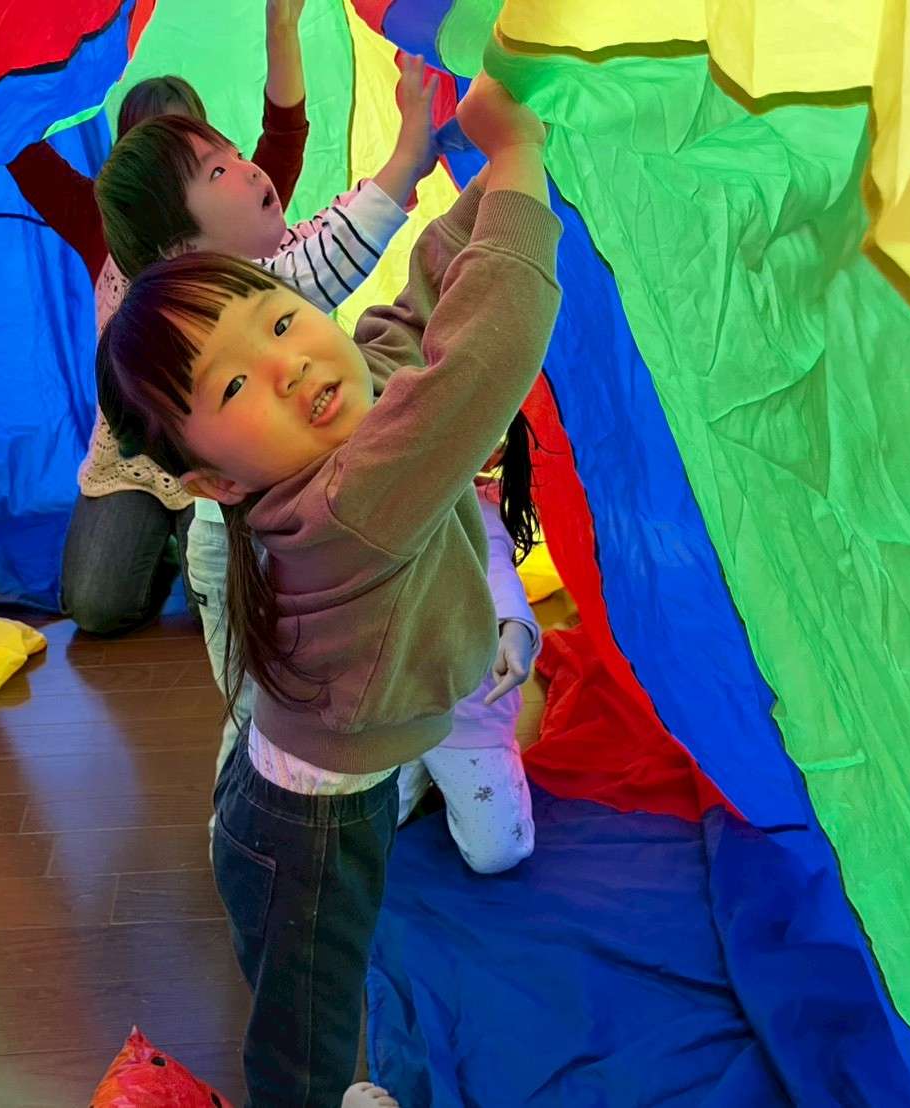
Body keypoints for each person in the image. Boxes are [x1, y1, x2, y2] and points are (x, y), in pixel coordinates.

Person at [97, 72, 561, 1108]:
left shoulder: (350, 411)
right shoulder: (350, 498)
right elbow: (484, 354)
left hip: (292, 787)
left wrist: (484, 189)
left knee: (306, 996)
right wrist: (520, 158)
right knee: (305, 1033)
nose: (288, 367)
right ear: (214, 481)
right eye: (231, 386)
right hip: (304, 832)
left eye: (274, 322)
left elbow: (424, 309)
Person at [93, 56, 439, 787]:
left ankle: (320, 779)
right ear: (182, 253)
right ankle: (255, 802)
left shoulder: (263, 262)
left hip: (274, 535)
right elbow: (335, 251)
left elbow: (323, 222)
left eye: (233, 152)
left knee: (294, 685)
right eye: (217, 171)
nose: (249, 168)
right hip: (240, 550)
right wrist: (411, 150)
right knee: (262, 698)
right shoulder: (235, 298)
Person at [7, 0, 312, 634]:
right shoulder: (101, 223)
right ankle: (159, 547)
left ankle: (189, 544)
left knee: (232, 605)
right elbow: (21, 149)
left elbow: (283, 136)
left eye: (188, 152)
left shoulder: (234, 221)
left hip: (220, 455)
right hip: (137, 459)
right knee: (97, 607)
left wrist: (282, 28)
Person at [394, 422, 543, 874]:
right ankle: (427, 776)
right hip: (391, 717)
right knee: (365, 827)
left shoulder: (477, 514)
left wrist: (514, 630)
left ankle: (489, 772)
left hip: (465, 716)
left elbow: (498, 577)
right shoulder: (368, 503)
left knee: (497, 854)